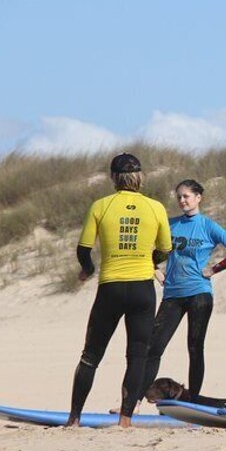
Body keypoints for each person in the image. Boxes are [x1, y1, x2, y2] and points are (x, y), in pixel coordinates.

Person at [68, 153, 172, 428]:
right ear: (140, 177)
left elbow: (84, 249)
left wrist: (87, 269)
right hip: (142, 290)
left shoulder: (101, 206)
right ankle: (126, 419)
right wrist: (149, 262)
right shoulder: (155, 207)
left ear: (113, 177)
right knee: (137, 356)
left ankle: (74, 419)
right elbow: (165, 249)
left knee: (91, 356)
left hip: (110, 289)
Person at [139, 179, 226, 405]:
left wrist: (215, 268)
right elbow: (147, 250)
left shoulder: (208, 226)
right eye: (179, 196)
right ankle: (134, 403)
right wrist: (155, 271)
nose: (182, 200)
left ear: (198, 198)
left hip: (199, 293)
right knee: (153, 348)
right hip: (172, 295)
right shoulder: (170, 224)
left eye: (186, 196)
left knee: (195, 348)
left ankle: (194, 402)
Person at [144, 377, 226, 409]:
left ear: (172, 390)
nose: (153, 391)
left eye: (158, 388)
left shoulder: (185, 399)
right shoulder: (167, 403)